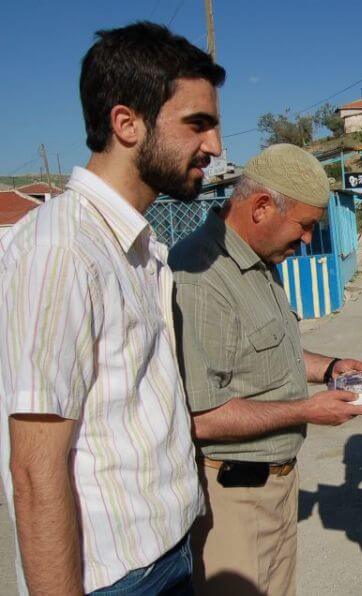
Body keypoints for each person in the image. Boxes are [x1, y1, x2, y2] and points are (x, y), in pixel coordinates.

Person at [0, 22, 224, 595]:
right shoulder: (61, 250)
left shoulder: (140, 247)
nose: (215, 146)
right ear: (127, 124)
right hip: (114, 579)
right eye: (197, 124)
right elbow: (33, 468)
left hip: (167, 554)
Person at [169, 143, 362, 595]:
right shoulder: (199, 276)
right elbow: (201, 417)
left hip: (276, 490)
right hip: (232, 502)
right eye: (304, 227)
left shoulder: (260, 260)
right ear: (261, 207)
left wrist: (331, 368)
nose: (305, 240)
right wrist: (307, 411)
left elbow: (271, 354)